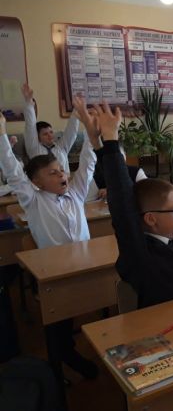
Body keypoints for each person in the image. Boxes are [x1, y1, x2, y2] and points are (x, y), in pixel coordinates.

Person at [0, 94, 101, 380]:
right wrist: (2, 135)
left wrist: (90, 132)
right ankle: (62, 355)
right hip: (55, 273)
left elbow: (88, 163)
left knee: (100, 295)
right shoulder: (33, 201)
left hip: (85, 264)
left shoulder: (76, 194)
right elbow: (13, 170)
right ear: (36, 182)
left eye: (61, 170)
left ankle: (76, 345)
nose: (62, 175)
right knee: (59, 321)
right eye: (53, 173)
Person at [92, 101, 173, 309]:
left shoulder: (170, 239)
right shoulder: (140, 254)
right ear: (151, 218)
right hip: (163, 324)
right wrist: (109, 140)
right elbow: (122, 204)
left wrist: (97, 144)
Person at [21, 84, 80, 175]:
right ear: (38, 137)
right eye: (45, 134)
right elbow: (30, 126)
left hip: (64, 181)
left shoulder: (61, 147)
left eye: (51, 132)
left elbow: (72, 131)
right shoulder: (34, 148)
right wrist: (28, 102)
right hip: (44, 183)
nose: (50, 135)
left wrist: (77, 108)